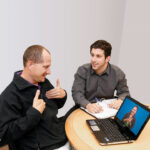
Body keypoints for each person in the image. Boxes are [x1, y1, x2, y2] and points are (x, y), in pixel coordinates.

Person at [0, 45, 71, 150]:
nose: (49, 72)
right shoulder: (9, 96)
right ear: (30, 64)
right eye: (46, 67)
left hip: (59, 137)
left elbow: (55, 106)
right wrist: (33, 114)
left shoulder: (43, 82)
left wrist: (62, 95)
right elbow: (4, 135)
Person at [72, 40, 130, 113]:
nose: (93, 59)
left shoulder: (118, 73)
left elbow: (125, 93)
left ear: (107, 59)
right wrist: (88, 105)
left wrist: (120, 100)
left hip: (106, 111)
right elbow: (77, 93)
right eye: (92, 55)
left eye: (98, 56)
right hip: (85, 108)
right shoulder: (82, 70)